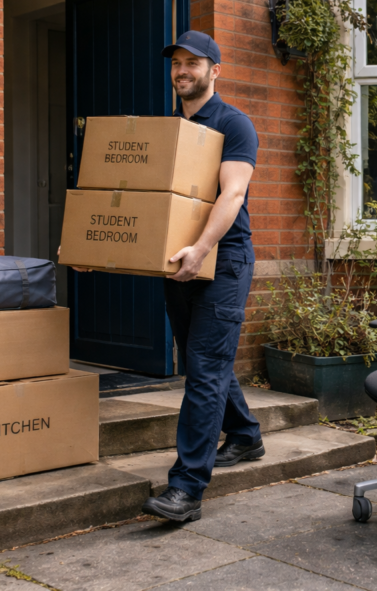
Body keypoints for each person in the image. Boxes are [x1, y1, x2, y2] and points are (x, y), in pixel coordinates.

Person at [137, 31, 265, 523]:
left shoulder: (234, 124)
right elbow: (149, 201)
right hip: (179, 259)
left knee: (206, 369)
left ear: (215, 71)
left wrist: (203, 247)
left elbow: (232, 194)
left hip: (223, 260)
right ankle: (246, 435)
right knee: (201, 360)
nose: (183, 71)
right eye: (177, 63)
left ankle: (186, 488)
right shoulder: (171, 130)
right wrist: (95, 248)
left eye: (194, 63)